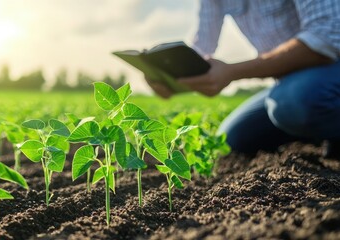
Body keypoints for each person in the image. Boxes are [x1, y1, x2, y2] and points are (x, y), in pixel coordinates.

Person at [146, 0, 340, 157]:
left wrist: (232, 72)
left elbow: (325, 39)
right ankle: (314, 130)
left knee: (293, 102)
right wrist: (169, 76)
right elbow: (202, 48)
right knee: (232, 139)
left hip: (330, 67)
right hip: (291, 84)